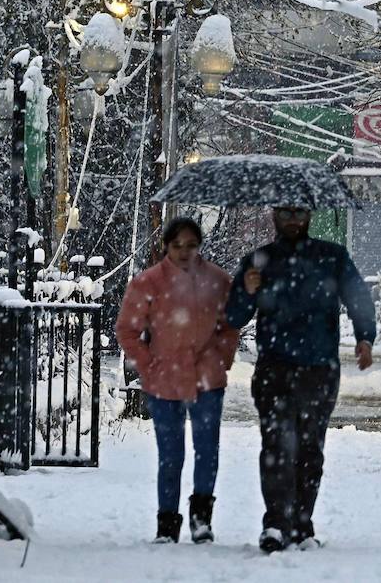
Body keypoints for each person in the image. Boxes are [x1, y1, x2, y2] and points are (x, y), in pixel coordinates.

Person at [225, 205, 377, 553]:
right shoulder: (259, 261)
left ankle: (301, 525)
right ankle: (275, 524)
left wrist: (365, 337)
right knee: (276, 447)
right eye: (286, 213)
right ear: (274, 215)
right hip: (274, 370)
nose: (293, 220)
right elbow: (234, 316)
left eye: (300, 213)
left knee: (310, 449)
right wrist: (247, 290)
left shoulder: (331, 257)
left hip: (318, 370)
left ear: (309, 215)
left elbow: (358, 297)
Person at [115, 216, 239, 545]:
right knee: (170, 455)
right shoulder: (148, 283)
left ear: (200, 246)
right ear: (166, 246)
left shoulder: (217, 280)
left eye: (191, 245)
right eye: (177, 245)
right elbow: (127, 330)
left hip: (207, 377)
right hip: (164, 379)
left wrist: (222, 358)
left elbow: (230, 325)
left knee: (207, 450)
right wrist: (149, 364)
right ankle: (167, 523)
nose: (184, 252)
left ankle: (201, 520)